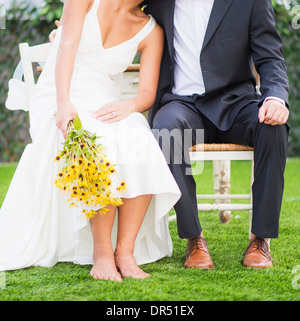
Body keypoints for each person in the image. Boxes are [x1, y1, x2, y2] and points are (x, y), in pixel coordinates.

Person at [0, 0, 181, 281]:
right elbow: (67, 47)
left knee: (140, 138)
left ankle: (125, 251)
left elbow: (147, 92)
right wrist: (63, 104)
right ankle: (102, 254)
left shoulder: (151, 31)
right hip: (60, 94)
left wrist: (128, 106)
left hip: (104, 101)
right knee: (99, 142)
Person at [145, 0, 290, 269]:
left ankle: (261, 239)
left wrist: (275, 98)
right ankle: (194, 238)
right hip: (183, 105)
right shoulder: (158, 1)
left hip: (235, 102)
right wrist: (75, 30)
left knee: (273, 127)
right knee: (165, 128)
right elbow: (118, 11)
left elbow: (270, 58)